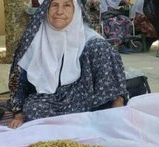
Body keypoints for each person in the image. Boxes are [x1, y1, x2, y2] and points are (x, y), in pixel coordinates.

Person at [8, 0, 127, 128]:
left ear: (75, 9)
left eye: (66, 5)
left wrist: (117, 102)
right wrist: (18, 114)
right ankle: (85, 117)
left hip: (82, 96)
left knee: (101, 47)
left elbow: (110, 75)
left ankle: (114, 110)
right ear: (46, 9)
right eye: (54, 5)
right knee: (32, 109)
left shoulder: (90, 39)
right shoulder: (32, 40)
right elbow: (18, 79)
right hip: (48, 100)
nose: (59, 12)